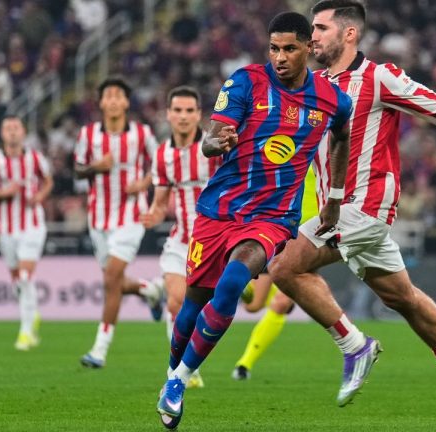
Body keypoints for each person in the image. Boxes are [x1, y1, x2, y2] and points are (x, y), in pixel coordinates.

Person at [267, 1, 436, 427]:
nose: (313, 36)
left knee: (285, 266)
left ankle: (354, 346)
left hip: (366, 207)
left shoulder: (379, 78)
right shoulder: (311, 86)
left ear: (350, 34)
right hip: (338, 209)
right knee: (401, 298)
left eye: (321, 28)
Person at [155, 12, 352, 429]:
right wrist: (214, 142)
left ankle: (180, 381)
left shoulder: (332, 99)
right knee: (191, 308)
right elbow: (213, 137)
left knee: (231, 284)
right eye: (274, 48)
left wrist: (334, 198)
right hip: (220, 210)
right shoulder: (245, 82)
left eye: (290, 48)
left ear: (308, 48)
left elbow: (342, 136)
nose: (280, 57)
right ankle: (172, 373)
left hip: (272, 217)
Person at [74, 77, 165, 368]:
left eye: (118, 96)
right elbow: (77, 170)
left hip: (131, 215)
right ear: (100, 103)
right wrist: (94, 167)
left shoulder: (142, 133)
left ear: (126, 102)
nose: (113, 100)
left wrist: (144, 182)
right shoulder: (88, 135)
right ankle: (149, 290)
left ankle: (100, 349)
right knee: (113, 280)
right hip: (98, 219)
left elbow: (162, 165)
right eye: (108, 96)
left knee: (111, 277)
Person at [141, 85, 220, 389]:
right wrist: (152, 214)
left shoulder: (213, 147)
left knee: (203, 309)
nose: (184, 116)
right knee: (177, 303)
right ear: (168, 114)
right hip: (181, 241)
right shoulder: (162, 155)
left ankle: (187, 362)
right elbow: (161, 203)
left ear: (199, 115)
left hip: (214, 242)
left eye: (190, 111)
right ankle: (179, 371)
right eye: (178, 111)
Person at [231, 167, 318, 381]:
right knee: (253, 305)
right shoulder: (296, 145)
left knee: (281, 303)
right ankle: (237, 282)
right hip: (280, 228)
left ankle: (244, 364)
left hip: (311, 237)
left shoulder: (333, 150)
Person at [0, 114, 53, 351]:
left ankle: (26, 332)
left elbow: (48, 181)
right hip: (6, 228)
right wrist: (5, 192)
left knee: (24, 276)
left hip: (32, 225)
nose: (12, 132)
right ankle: (33, 313)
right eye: (8, 128)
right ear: (2, 134)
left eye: (16, 128)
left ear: (23, 132)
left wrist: (40, 196)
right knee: (17, 282)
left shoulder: (34, 158)